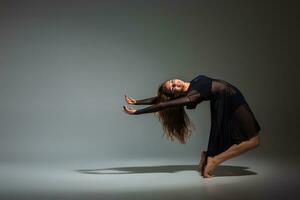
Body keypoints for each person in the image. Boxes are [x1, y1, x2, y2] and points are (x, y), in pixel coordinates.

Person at [123, 74, 261, 178]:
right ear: (176, 94)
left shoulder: (192, 84)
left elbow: (159, 99)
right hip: (231, 100)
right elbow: (162, 104)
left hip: (229, 99)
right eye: (173, 88)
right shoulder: (192, 96)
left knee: (250, 139)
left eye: (172, 81)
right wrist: (136, 112)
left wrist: (137, 102)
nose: (176, 83)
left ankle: (208, 156)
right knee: (253, 141)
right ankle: (214, 159)